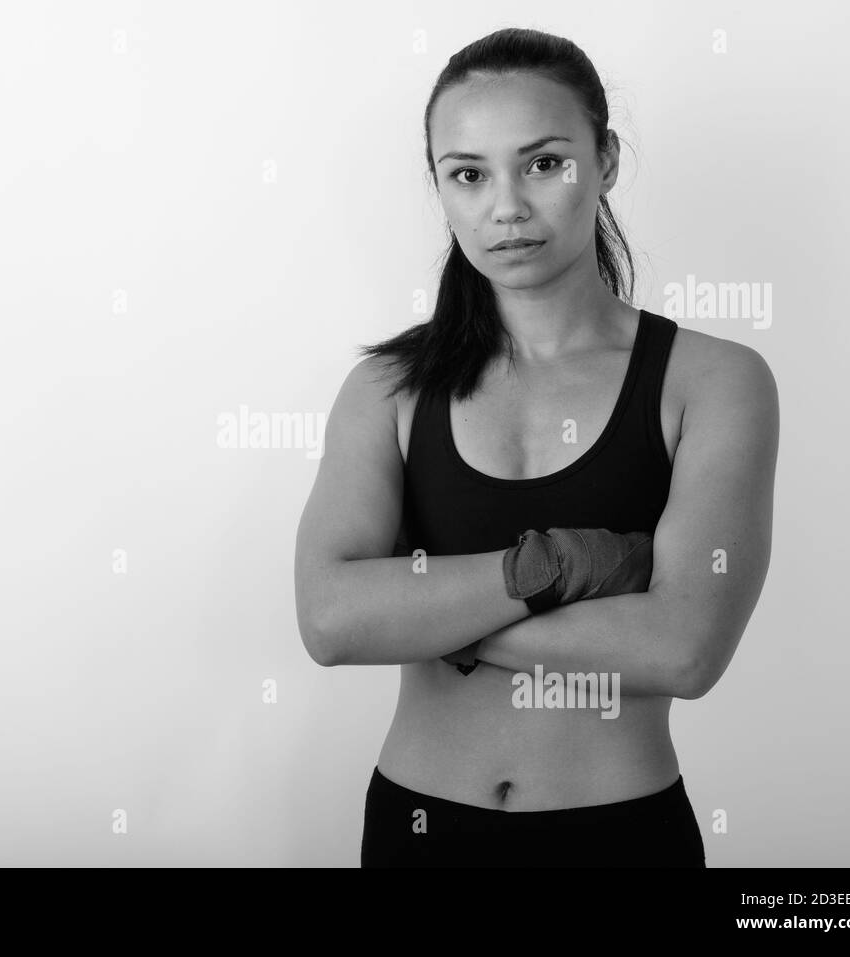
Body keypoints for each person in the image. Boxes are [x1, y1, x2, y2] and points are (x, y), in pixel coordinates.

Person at [292, 27, 779, 867]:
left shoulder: (715, 380)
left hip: (622, 837)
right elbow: (331, 620)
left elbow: (684, 648)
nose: (507, 206)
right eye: (468, 174)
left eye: (545, 162)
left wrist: (425, 615)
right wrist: (565, 564)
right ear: (440, 186)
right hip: (420, 829)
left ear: (607, 160)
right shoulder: (389, 388)